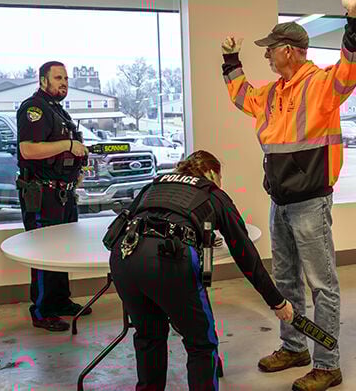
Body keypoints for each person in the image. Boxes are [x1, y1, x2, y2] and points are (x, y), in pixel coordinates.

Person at [220, 0, 356, 391]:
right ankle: (294, 346)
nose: (266, 56)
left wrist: (355, 20)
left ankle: (327, 362)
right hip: (280, 202)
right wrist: (230, 59)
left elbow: (353, 68)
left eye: (270, 50)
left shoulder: (321, 84)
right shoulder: (272, 93)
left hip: (310, 202)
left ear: (290, 50)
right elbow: (240, 94)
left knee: (322, 285)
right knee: (284, 281)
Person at [106, 150, 294, 391]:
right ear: (212, 173)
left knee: (149, 337)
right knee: (201, 344)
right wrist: (276, 301)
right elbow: (246, 255)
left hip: (124, 259)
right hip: (169, 262)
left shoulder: (156, 184)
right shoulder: (213, 193)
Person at [16, 61, 91, 332]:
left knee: (62, 252)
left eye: (66, 79)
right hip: (42, 193)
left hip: (63, 193)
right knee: (43, 252)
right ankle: (42, 309)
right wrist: (69, 145)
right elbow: (29, 150)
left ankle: (60, 300)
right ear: (43, 80)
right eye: (58, 78)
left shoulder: (57, 111)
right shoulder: (34, 109)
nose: (64, 83)